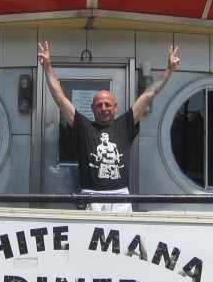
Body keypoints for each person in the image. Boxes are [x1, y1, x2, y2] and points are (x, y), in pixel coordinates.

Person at [37, 41, 180, 211]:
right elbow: (60, 99)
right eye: (99, 105)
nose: (103, 108)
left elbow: (149, 95)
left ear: (115, 106)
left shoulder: (125, 125)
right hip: (90, 198)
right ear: (92, 108)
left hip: (120, 198)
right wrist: (47, 67)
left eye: (107, 104)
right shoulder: (83, 127)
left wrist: (169, 70)